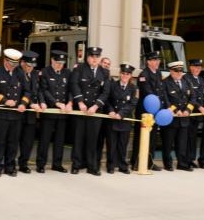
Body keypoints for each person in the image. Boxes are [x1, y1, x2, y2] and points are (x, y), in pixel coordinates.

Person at [0, 48, 30, 177]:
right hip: (1, 113)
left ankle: (10, 166)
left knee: (13, 142)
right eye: (11, 64)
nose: (13, 67)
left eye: (15, 64)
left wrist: (23, 103)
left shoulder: (20, 72)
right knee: (0, 141)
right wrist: (5, 101)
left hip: (16, 114)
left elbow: (27, 91)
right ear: (5, 61)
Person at [70, 46, 110, 176]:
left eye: (97, 57)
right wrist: (80, 102)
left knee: (93, 140)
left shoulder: (104, 72)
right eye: (92, 56)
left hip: (95, 110)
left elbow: (105, 92)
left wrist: (96, 106)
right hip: (81, 109)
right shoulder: (79, 68)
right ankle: (76, 164)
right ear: (87, 57)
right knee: (78, 138)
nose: (94, 59)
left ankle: (92, 166)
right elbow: (74, 85)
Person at [36, 50, 70, 173]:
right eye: (57, 63)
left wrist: (70, 103)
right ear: (52, 60)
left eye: (62, 63)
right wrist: (56, 103)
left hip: (62, 113)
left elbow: (70, 90)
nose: (59, 65)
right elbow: (44, 90)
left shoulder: (67, 72)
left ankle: (57, 163)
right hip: (50, 111)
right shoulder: (45, 72)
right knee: (45, 139)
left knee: (60, 140)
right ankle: (41, 164)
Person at [131, 51, 164, 171]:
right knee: (140, 137)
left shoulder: (159, 73)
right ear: (148, 62)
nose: (157, 62)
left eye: (158, 60)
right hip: (145, 111)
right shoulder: (143, 74)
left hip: (156, 111)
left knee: (153, 138)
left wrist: (163, 107)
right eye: (154, 60)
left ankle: (150, 161)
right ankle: (136, 162)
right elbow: (148, 92)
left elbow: (161, 91)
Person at [106, 63, 137, 174]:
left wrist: (121, 113)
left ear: (130, 76)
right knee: (111, 144)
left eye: (127, 74)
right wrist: (111, 110)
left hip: (124, 120)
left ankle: (123, 166)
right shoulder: (112, 85)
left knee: (123, 144)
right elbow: (108, 100)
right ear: (120, 74)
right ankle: (110, 165)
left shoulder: (133, 88)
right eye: (123, 73)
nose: (125, 75)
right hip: (113, 118)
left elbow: (133, 103)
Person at [160, 61, 190, 171]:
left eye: (181, 71)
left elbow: (193, 97)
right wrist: (176, 110)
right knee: (168, 143)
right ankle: (168, 164)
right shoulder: (165, 82)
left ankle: (181, 163)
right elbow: (164, 99)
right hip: (171, 118)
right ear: (171, 71)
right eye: (177, 71)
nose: (179, 73)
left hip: (184, 118)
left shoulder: (186, 81)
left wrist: (188, 110)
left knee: (182, 143)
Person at [17, 51, 42, 173]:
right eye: (28, 65)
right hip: (19, 111)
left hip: (31, 114)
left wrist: (41, 102)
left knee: (28, 141)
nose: (30, 68)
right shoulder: (16, 73)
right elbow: (19, 93)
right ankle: (8, 164)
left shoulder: (35, 74)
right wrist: (31, 103)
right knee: (13, 140)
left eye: (32, 66)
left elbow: (38, 91)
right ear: (22, 63)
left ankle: (23, 164)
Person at [182, 59, 204, 168]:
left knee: (193, 137)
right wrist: (200, 107)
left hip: (198, 114)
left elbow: (202, 96)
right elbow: (191, 97)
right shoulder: (186, 78)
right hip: (189, 112)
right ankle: (185, 160)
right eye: (195, 67)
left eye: (199, 67)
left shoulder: (201, 79)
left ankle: (191, 159)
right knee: (187, 138)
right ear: (191, 67)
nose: (197, 69)